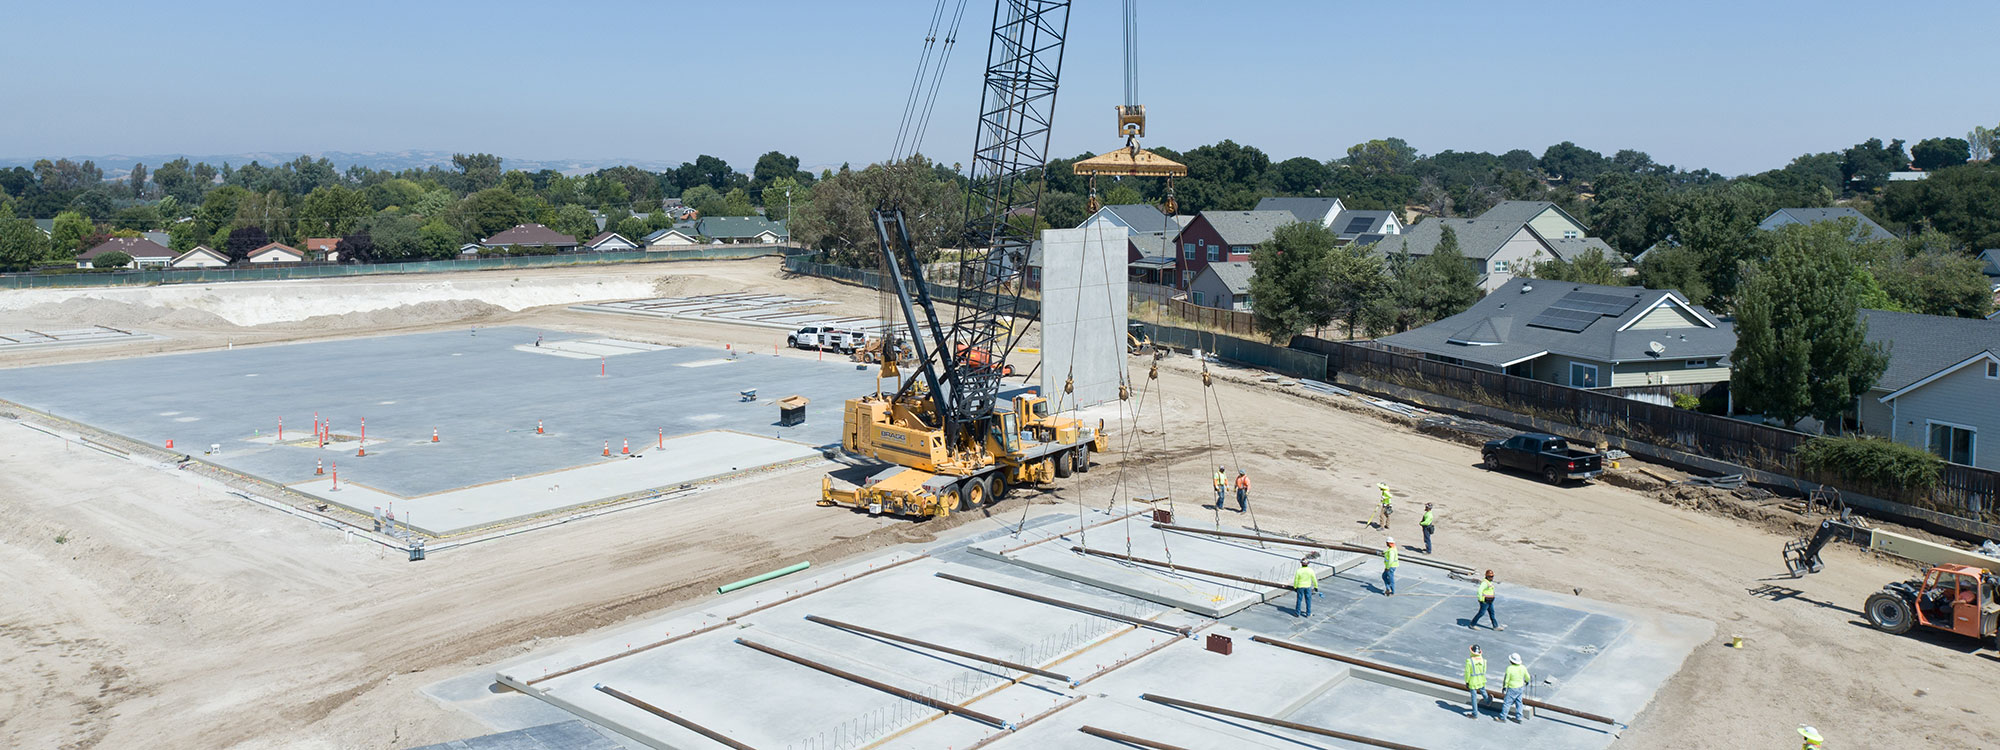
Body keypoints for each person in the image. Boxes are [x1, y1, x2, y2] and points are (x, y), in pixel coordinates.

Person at [1500, 653, 1530, 722]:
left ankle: (1503, 717)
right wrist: (1527, 681)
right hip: (1520, 687)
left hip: (1512, 688)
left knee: (1507, 703)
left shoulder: (1509, 668)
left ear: (1511, 661)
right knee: (1519, 702)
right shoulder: (1523, 667)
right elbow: (1527, 677)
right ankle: (1519, 718)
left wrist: (1504, 687)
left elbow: (1506, 679)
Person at [1463, 644, 1488, 719]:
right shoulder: (1483, 661)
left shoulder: (1470, 661)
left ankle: (1475, 714)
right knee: (1483, 690)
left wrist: (1467, 681)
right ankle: (1487, 700)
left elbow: (1467, 673)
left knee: (1474, 697)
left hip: (1473, 681)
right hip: (1481, 679)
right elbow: (1484, 670)